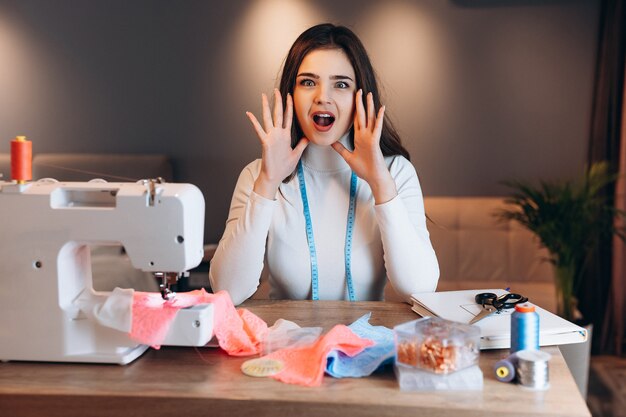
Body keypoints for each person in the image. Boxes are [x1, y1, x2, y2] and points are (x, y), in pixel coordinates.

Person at [209, 23, 439, 305]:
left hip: (366, 346)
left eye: (341, 84)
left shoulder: (395, 172)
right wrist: (267, 184)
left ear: (360, 97)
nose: (323, 97)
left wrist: (380, 184)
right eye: (308, 82)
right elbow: (227, 290)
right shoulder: (258, 175)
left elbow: (419, 288)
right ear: (290, 93)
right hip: (287, 343)